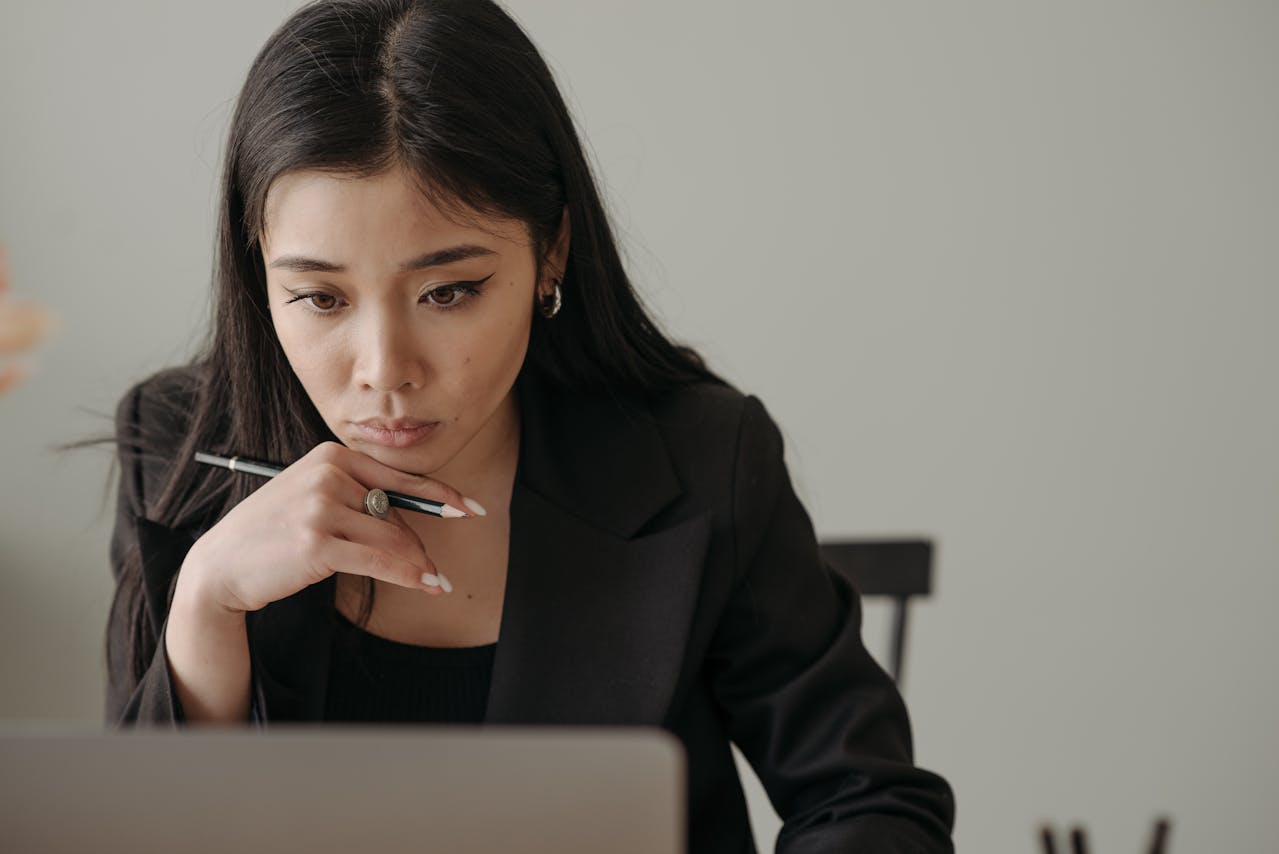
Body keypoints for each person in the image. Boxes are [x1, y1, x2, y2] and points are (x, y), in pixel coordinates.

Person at [105, 1, 956, 850]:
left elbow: (867, 802)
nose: (385, 369)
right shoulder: (175, 447)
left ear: (550, 251)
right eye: (320, 297)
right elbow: (128, 834)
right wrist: (205, 602)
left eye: (448, 291)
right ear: (258, 270)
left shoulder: (703, 456)